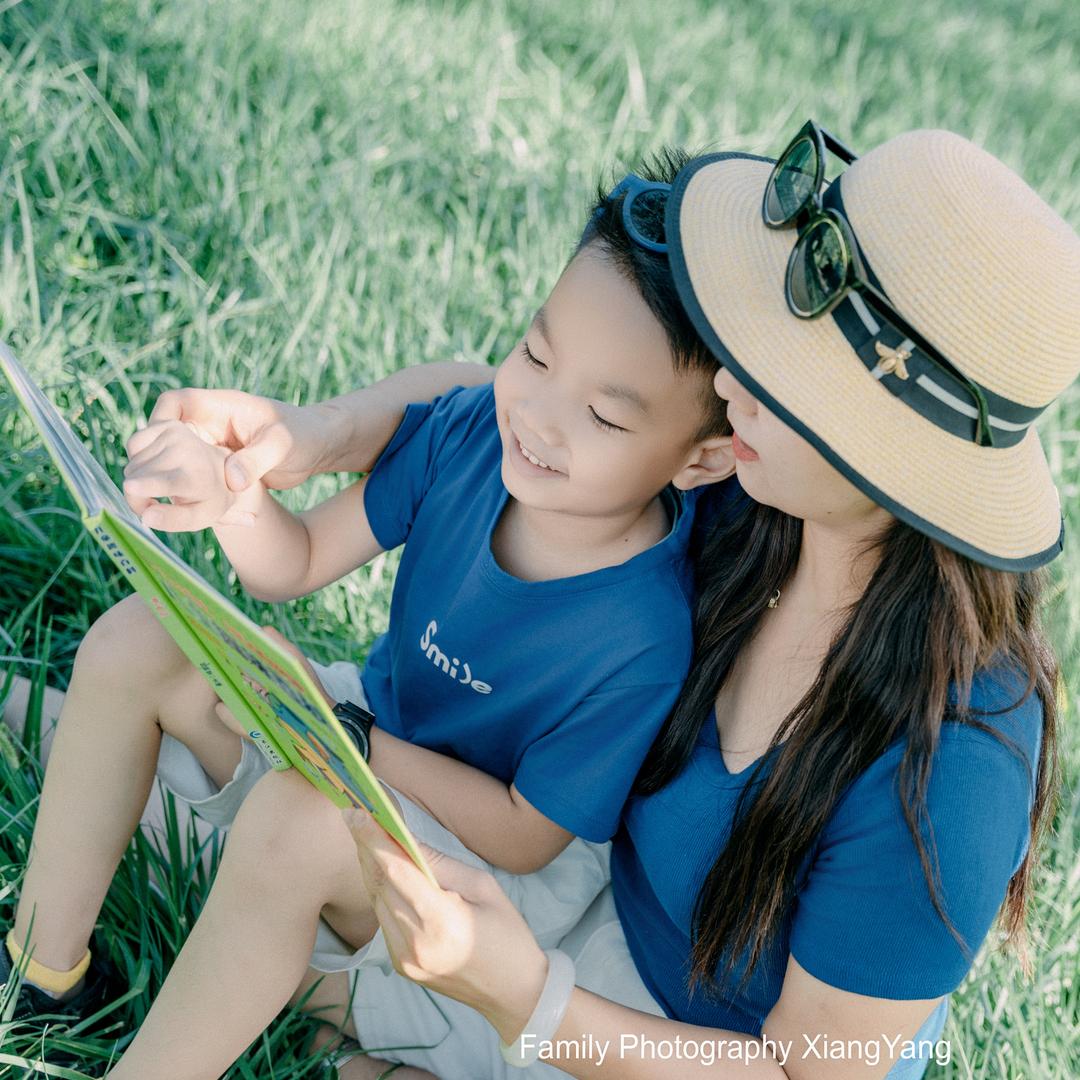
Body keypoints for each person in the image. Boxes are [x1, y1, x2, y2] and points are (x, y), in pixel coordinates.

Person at [128, 126, 1073, 1080]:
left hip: (684, 1050)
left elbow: (809, 1074)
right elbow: (505, 404)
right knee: (222, 761)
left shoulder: (954, 760)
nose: (728, 377)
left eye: (786, 373)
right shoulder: (753, 490)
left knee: (257, 859)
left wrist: (522, 996)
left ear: (889, 457)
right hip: (581, 925)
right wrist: (312, 435)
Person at [1, 155, 736, 1078]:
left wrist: (339, 729)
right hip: (364, 730)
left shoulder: (644, 632)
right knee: (138, 636)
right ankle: (44, 979)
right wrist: (229, 495)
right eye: (536, 355)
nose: (539, 417)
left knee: (294, 817)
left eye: (602, 414)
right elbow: (298, 560)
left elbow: (523, 833)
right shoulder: (473, 436)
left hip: (485, 874)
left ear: (699, 461)